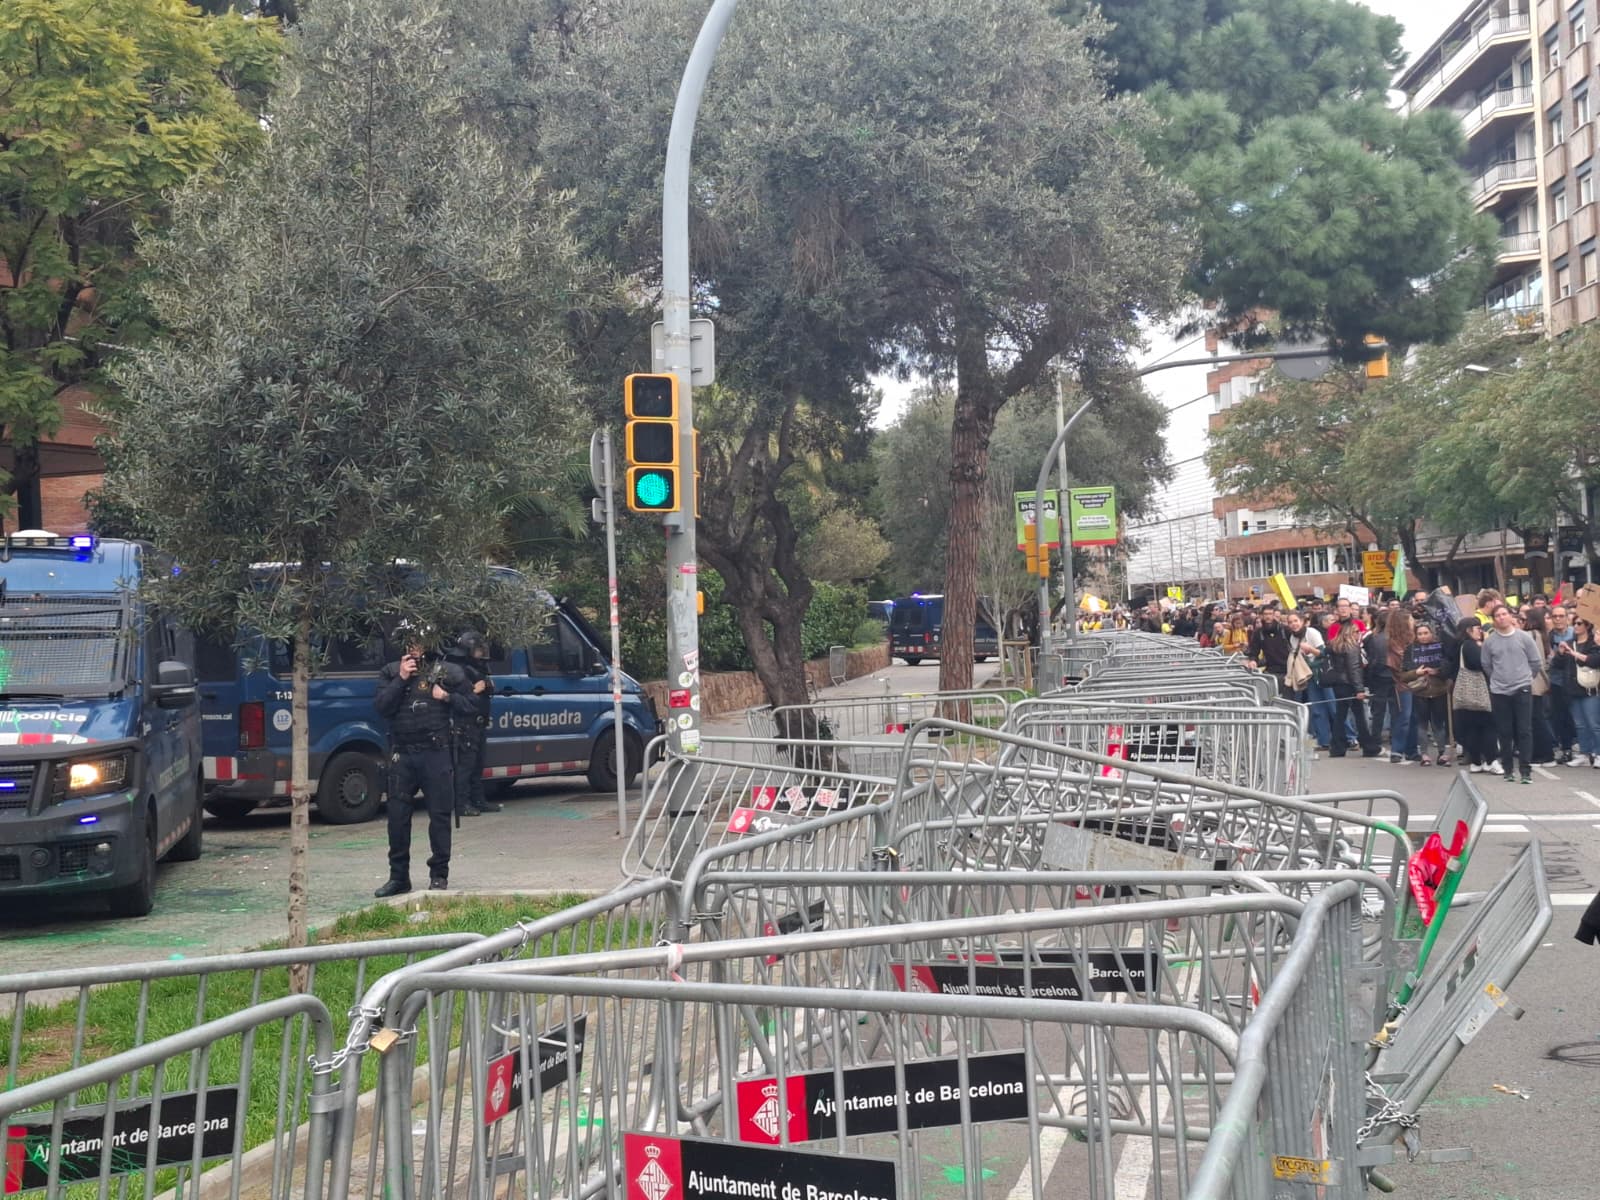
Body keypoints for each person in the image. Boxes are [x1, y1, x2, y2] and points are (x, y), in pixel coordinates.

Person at [373, 629, 475, 896]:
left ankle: (439, 875)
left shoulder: (447, 672)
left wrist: (447, 697)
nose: (414, 648)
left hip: (435, 752)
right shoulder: (391, 671)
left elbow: (472, 705)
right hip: (402, 753)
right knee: (396, 818)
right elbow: (382, 707)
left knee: (440, 815)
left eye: (418, 642)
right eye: (409, 643)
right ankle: (398, 877)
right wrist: (401, 678)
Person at [1480, 602, 1543, 784]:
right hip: (1499, 690)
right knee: (1504, 731)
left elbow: (1535, 662)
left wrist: (1525, 678)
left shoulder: (1524, 638)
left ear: (1510, 616)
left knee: (1524, 730)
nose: (1501, 618)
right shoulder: (1490, 641)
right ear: (1493, 620)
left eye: (1504, 614)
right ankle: (1508, 769)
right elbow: (1486, 665)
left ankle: (1525, 770)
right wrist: (1497, 679)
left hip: (1522, 688)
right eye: (1497, 615)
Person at [447, 631, 500, 818]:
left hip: (478, 722)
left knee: (478, 764)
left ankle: (478, 800)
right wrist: (475, 690)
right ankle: (462, 803)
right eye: (478, 649)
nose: (481, 653)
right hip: (466, 724)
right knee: (465, 766)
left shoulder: (478, 667)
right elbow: (460, 696)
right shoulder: (458, 669)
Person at [1396, 621, 1452, 766]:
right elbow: (1402, 675)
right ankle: (1425, 754)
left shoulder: (1441, 647)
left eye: (1425, 633)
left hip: (1439, 690)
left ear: (1432, 633)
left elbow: (1449, 668)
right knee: (1422, 724)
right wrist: (1417, 672)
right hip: (1420, 692)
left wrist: (1438, 671)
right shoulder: (1411, 650)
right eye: (1419, 634)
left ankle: (1442, 753)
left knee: (1438, 724)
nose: (1423, 636)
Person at [1322, 619, 1378, 757]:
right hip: (1350, 684)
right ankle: (1368, 746)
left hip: (1338, 684)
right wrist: (1359, 689)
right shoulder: (1351, 647)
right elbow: (1354, 669)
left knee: (1340, 715)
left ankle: (1337, 747)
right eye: (1357, 631)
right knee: (1359, 716)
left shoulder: (1335, 646)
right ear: (1350, 633)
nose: (1359, 634)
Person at [1453, 618, 1498, 773]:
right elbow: (1481, 663)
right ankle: (1490, 760)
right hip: (1479, 692)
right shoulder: (1471, 646)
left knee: (1472, 728)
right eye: (1477, 628)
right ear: (1468, 630)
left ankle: (1476, 761)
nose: (1481, 631)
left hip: (1468, 695)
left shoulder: (1464, 645)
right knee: (1488, 726)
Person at [1559, 617, 1600, 768]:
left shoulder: (1593, 643)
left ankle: (1598, 753)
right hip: (1573, 688)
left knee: (1594, 723)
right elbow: (1558, 664)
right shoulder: (1570, 642)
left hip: (1590, 688)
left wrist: (1573, 653)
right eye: (1574, 623)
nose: (1575, 626)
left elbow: (1593, 661)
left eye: (1579, 623)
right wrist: (1561, 653)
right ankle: (1584, 752)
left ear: (1587, 626)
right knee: (1580, 724)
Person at [1549, 607, 1579, 763]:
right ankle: (1566, 748)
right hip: (1556, 681)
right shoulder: (1548, 636)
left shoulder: (1575, 633)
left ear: (1567, 617)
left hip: (1575, 681)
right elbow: (1550, 661)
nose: (1558, 619)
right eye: (1555, 616)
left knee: (1577, 717)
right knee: (1560, 717)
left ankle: (1582, 747)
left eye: (1561, 616)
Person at [1246, 606, 1293, 693]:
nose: (1268, 616)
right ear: (1261, 616)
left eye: (1270, 614)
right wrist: (1253, 660)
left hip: (1289, 669)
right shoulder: (1258, 632)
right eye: (1265, 614)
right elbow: (1253, 651)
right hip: (1272, 670)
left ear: (1274, 615)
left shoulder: (1285, 629)